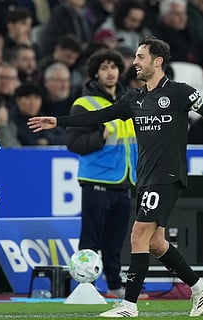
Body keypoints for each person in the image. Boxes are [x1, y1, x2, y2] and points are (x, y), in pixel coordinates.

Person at [28, 36, 203, 317]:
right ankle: (198, 285)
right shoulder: (134, 98)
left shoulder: (180, 92)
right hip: (144, 177)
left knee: (137, 234)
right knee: (156, 243)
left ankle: (129, 305)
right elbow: (98, 117)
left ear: (158, 61)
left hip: (167, 174)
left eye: (140, 57)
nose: (134, 63)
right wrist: (57, 122)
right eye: (134, 57)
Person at [65, 49, 135, 299]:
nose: (110, 72)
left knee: (115, 242)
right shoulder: (84, 104)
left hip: (125, 181)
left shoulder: (129, 100)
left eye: (114, 67)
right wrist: (100, 137)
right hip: (96, 180)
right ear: (96, 72)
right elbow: (73, 143)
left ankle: (115, 287)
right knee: (91, 238)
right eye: (104, 67)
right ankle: (87, 287)